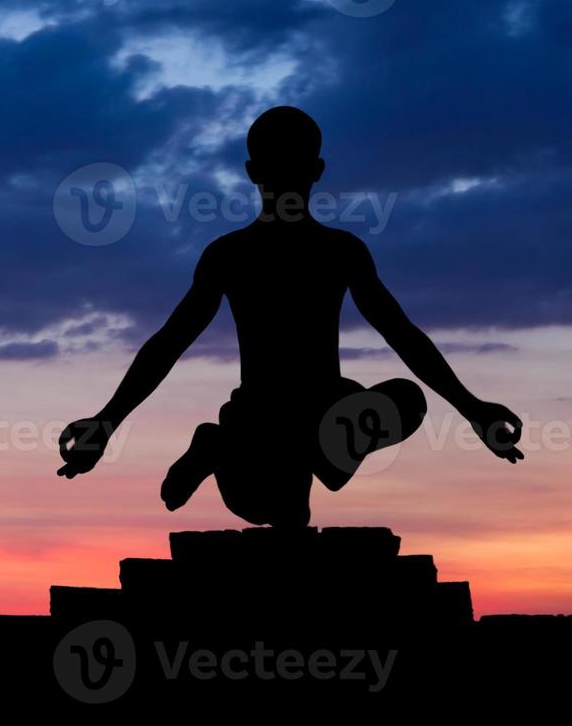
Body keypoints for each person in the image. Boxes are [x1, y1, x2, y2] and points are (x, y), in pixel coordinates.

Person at [56, 106, 523, 527]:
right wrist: (106, 420)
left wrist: (474, 410)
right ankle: (219, 448)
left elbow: (402, 334)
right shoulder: (282, 253)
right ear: (315, 171)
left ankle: (238, 449)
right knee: (285, 513)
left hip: (312, 417)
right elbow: (170, 342)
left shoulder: (283, 253)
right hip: (271, 423)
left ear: (251, 172)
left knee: (404, 401)